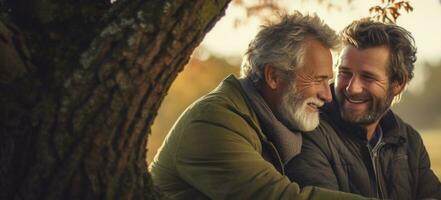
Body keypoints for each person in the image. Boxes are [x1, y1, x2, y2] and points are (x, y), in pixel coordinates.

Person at [149, 12, 370, 200]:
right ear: (273, 76)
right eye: (317, 80)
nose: (327, 95)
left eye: (328, 82)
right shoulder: (213, 122)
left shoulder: (276, 123)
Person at [285, 18, 441, 200]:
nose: (352, 88)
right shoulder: (308, 133)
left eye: (368, 77)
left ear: (398, 84)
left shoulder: (408, 140)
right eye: (344, 73)